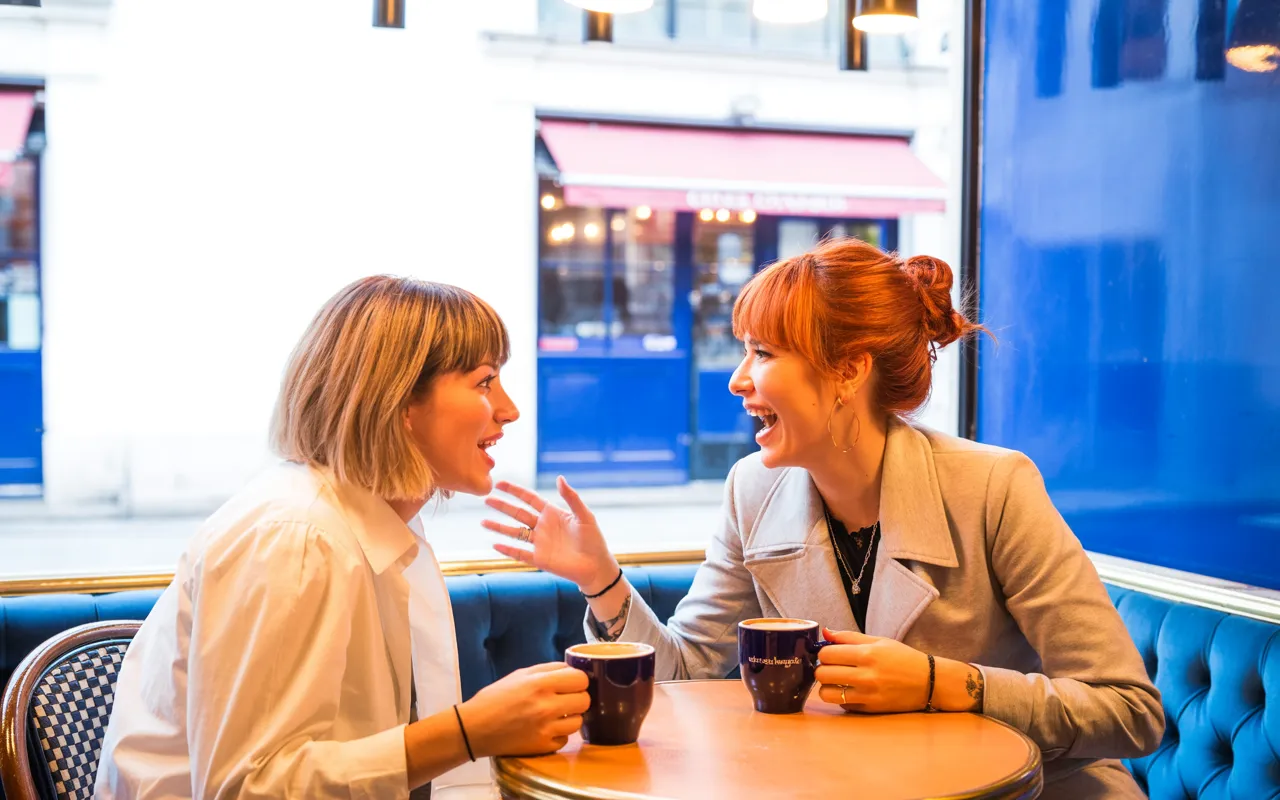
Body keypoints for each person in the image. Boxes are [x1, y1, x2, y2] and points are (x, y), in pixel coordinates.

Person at [483, 238, 1164, 798]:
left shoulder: (993, 486)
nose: (737, 379)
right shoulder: (752, 490)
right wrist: (601, 579)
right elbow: (682, 674)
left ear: (848, 371)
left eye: (765, 353)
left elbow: (1129, 713)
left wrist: (942, 684)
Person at [95, 276, 590, 799]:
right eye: (485, 381)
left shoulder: (381, 525)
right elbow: (244, 788)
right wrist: (468, 732)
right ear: (398, 402)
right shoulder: (295, 538)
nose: (509, 409)